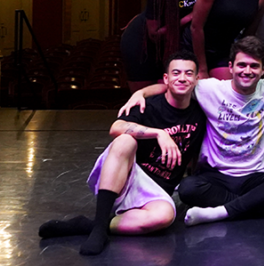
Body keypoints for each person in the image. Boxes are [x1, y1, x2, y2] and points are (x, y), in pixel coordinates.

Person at [119, 37, 264, 227]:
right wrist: (140, 93)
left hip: (257, 175)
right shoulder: (209, 89)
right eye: (242, 65)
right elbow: (174, 83)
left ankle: (221, 213)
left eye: (254, 66)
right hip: (218, 175)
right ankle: (258, 206)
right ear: (231, 67)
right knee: (188, 189)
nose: (248, 71)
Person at [39, 50, 206, 255]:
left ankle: (90, 225)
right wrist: (158, 133)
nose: (182, 78)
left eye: (189, 73)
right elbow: (115, 127)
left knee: (164, 217)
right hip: (127, 176)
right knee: (125, 140)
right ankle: (99, 231)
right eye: (176, 73)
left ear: (197, 79)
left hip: (157, 191)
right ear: (166, 78)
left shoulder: (200, 115)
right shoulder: (148, 106)